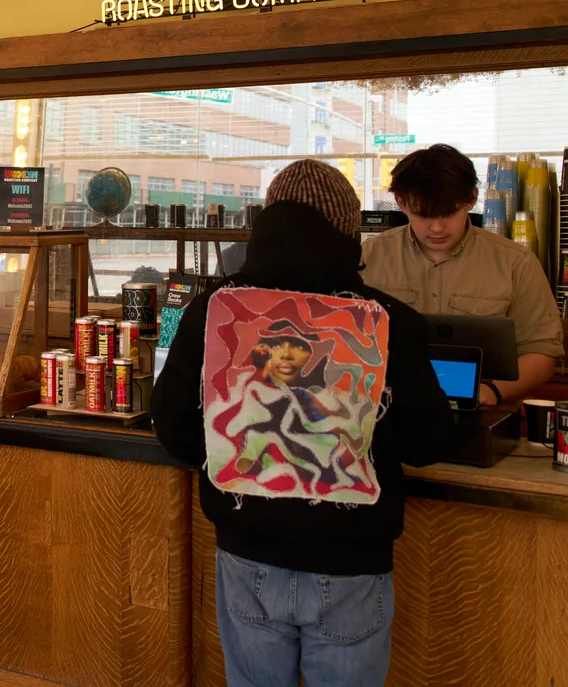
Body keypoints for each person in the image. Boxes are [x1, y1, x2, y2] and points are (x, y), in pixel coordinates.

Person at [153, 160, 451, 687]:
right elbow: (429, 442)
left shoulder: (215, 310)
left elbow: (174, 428)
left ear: (268, 222)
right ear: (346, 230)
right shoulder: (387, 321)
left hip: (247, 553)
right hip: (353, 562)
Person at [362, 144, 563, 405]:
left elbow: (542, 351)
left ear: (471, 198)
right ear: (400, 203)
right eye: (423, 215)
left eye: (448, 214)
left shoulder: (515, 262)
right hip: (387, 411)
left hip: (483, 412)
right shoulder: (367, 258)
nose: (436, 228)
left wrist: (490, 392)